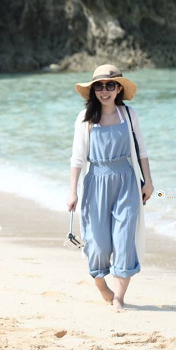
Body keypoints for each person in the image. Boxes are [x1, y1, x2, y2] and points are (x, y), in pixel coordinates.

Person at [67, 64, 153, 312]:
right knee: (97, 243)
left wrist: (148, 181)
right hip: (95, 183)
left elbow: (142, 151)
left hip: (126, 181)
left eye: (110, 85)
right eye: (99, 86)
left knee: (125, 240)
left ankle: (119, 298)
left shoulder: (129, 114)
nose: (105, 91)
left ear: (119, 89)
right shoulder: (84, 119)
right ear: (93, 90)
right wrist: (72, 191)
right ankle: (102, 286)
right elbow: (77, 159)